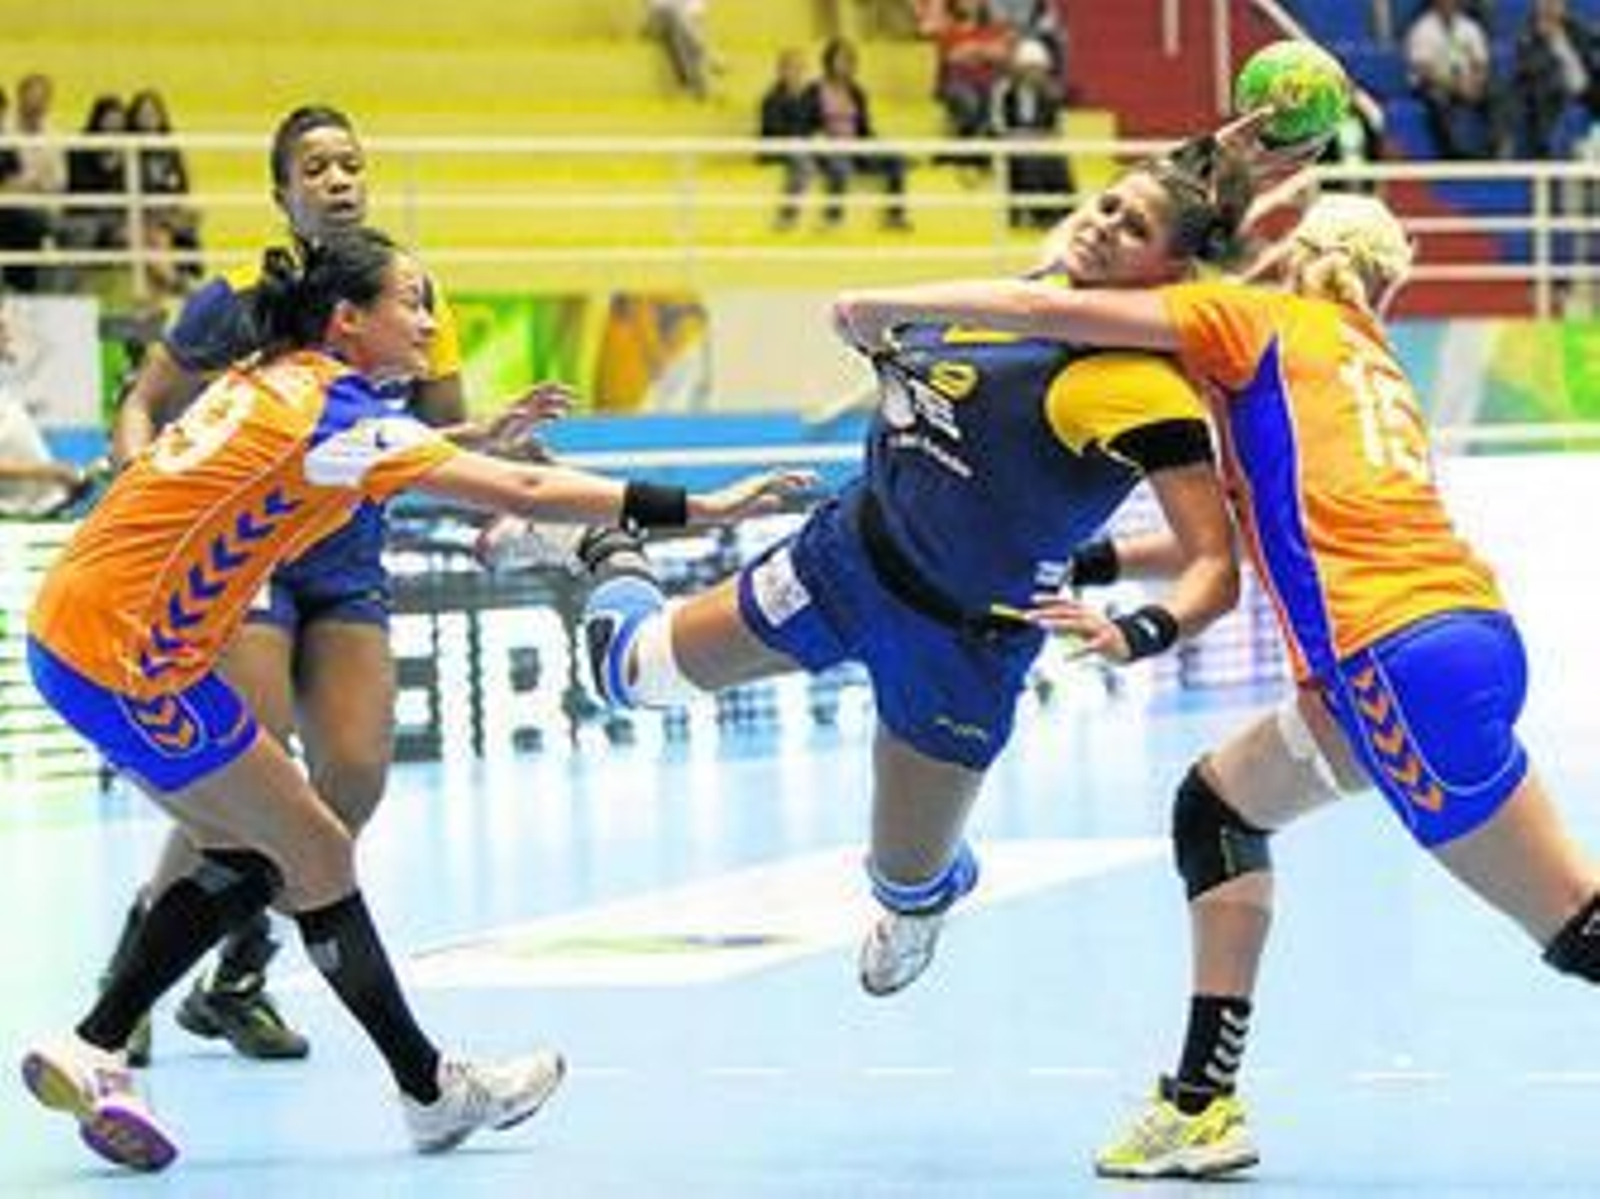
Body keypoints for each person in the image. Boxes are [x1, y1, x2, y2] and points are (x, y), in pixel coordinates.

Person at [829, 191, 1600, 1182]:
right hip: (1443, 642)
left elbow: (1045, 307)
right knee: (1218, 807)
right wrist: (1092, 563)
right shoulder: (1361, 359)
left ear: (1292, 254)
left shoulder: (1257, 318)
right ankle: (1200, 1104)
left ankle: (1200, 1104)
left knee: (1575, 922)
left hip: (1387, 658)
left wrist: (882, 306)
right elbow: (1243, 532)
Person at [20, 227, 807, 1174]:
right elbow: (525, 488)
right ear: (348, 320)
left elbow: (340, 457)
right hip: (130, 658)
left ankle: (115, 1041)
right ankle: (417, 1090)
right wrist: (706, 508)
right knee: (308, 848)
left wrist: (465, 439)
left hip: (76, 631)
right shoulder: (336, 414)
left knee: (267, 851)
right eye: (412, 302)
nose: (431, 322)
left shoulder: (276, 380)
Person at [492, 148, 1251, 999]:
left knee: (903, 878)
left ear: (1170, 272)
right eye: (1106, 205)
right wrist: (1222, 156)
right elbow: (1116, 242)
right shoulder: (1012, 293)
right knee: (628, 675)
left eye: (1134, 228)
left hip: (960, 646)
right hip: (844, 560)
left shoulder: (1140, 388)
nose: (1104, 227)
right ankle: (598, 538)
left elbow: (1214, 560)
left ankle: (927, 897)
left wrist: (1138, 628)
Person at [104, 104, 563, 1068]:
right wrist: (141, 479)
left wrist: (505, 469)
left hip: (348, 559)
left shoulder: (410, 297)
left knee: (352, 773)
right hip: (253, 554)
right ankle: (137, 962)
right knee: (251, 764)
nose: (339, 180)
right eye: (315, 168)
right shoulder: (238, 300)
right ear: (281, 194)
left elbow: (436, 439)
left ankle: (237, 976)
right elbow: (145, 400)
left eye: (350, 163)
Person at [803, 37, 913, 231]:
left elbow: (864, 129)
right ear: (829, 61)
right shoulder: (814, 90)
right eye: (842, 59)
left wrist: (879, 146)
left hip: (856, 147)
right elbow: (807, 124)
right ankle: (832, 218)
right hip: (828, 147)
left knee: (895, 160)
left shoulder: (856, 92)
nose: (847, 63)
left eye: (850, 59)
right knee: (840, 165)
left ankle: (894, 216)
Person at [758, 48, 817, 231]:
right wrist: (801, 138)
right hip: (778, 149)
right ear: (781, 71)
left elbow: (816, 123)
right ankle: (787, 216)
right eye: (792, 68)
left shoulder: (809, 97)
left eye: (801, 68)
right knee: (803, 164)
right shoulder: (771, 98)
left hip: (803, 147)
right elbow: (774, 130)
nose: (797, 73)